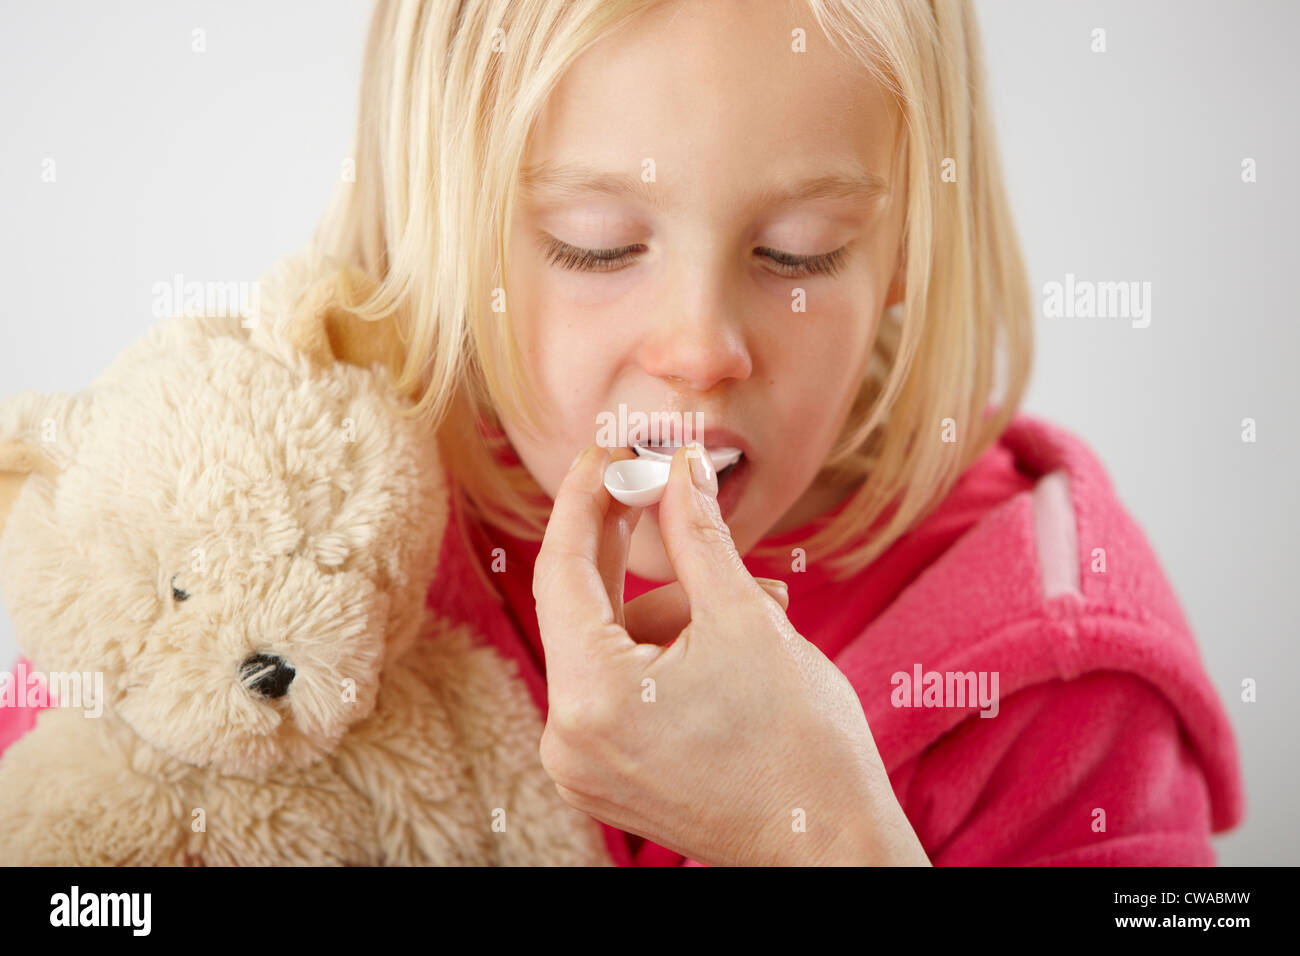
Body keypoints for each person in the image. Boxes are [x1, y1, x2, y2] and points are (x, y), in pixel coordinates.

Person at [0, 0, 1244, 865]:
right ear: (447, 234)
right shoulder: (285, 538)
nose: (699, 345)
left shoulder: (1056, 686)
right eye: (595, 243)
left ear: (906, 248)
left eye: (795, 251)